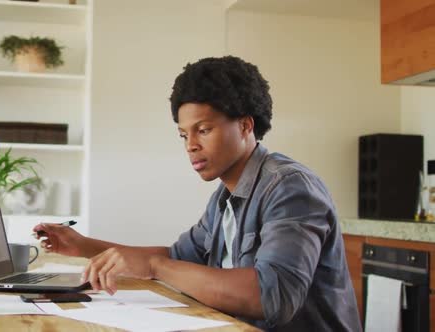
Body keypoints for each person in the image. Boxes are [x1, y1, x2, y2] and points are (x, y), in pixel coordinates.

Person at [33, 56, 362, 331]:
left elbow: (271, 296)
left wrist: (154, 265)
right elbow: (178, 258)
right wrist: (84, 246)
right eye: (183, 134)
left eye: (203, 130)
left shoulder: (289, 187)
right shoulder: (224, 199)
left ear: (246, 126)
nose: (191, 145)